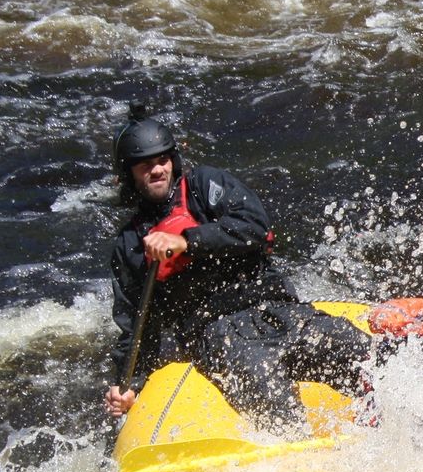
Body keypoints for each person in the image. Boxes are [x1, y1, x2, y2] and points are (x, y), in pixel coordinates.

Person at [102, 105, 370, 432]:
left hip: (279, 313)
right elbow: (136, 327)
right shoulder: (130, 244)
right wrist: (129, 385)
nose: (157, 170)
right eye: (146, 165)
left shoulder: (204, 186)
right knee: (282, 419)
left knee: (372, 363)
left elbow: (256, 226)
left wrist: (188, 240)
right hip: (221, 339)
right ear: (129, 174)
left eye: (162, 160)